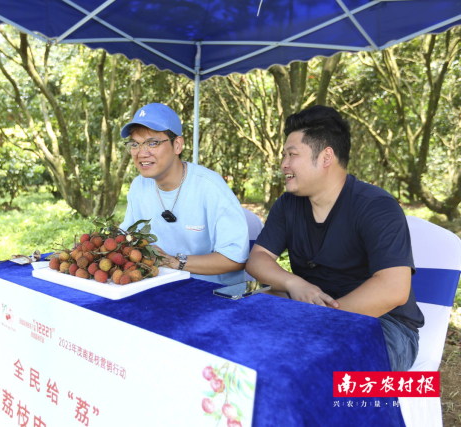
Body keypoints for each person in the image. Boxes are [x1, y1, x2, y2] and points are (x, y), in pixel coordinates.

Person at [245, 105, 424, 371]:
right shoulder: (288, 204)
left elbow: (393, 289)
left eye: (292, 154)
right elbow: (258, 259)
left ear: (326, 156)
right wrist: (293, 283)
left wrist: (321, 319)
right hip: (312, 312)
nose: (283, 164)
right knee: (239, 327)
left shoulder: (375, 206)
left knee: (313, 366)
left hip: (384, 325)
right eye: (284, 155)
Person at [119, 103, 249, 285]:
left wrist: (174, 261)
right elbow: (126, 236)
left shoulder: (209, 187)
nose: (141, 153)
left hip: (209, 293)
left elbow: (236, 258)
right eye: (135, 144)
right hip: (156, 287)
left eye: (152, 143)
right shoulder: (139, 186)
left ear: (177, 145)